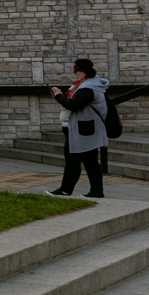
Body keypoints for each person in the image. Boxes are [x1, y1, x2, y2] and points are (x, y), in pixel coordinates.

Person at [48, 58, 110, 198]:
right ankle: (96, 191)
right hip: (84, 128)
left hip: (82, 130)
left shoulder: (88, 87)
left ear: (85, 72)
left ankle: (65, 190)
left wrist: (58, 96)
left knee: (73, 159)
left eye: (77, 71)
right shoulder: (87, 85)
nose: (75, 74)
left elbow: (74, 105)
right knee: (89, 160)